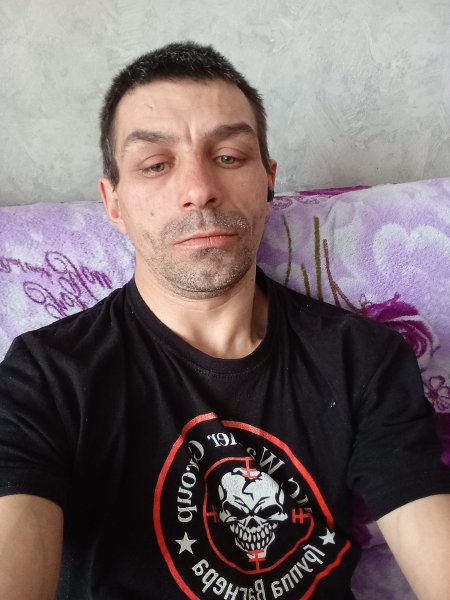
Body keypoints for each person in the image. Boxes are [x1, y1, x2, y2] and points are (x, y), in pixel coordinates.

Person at [0, 41, 449, 600]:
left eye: (230, 157)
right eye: (156, 165)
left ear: (268, 183)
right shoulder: (46, 374)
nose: (199, 190)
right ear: (113, 203)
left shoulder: (362, 358)